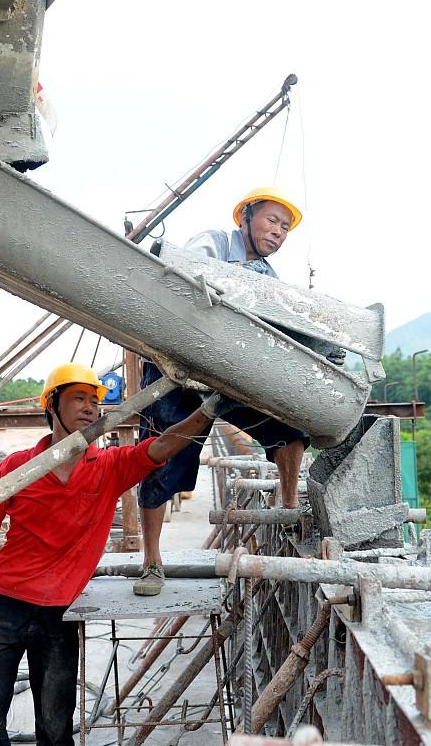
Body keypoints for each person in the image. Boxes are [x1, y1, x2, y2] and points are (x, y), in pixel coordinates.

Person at [0, 362, 236, 746]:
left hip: (58, 616)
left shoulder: (110, 468)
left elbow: (163, 445)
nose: (89, 408)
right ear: (52, 406)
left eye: (94, 401)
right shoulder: (19, 467)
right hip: (1, 608)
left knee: (55, 729)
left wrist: (207, 411)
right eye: (78, 398)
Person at [134, 187, 325, 597]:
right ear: (246, 217)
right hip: (181, 365)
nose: (278, 232)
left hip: (232, 371)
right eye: (272, 221)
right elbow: (188, 270)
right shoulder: (215, 242)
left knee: (289, 424)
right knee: (157, 456)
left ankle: (288, 506)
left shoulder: (271, 279)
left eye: (285, 227)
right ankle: (151, 559)